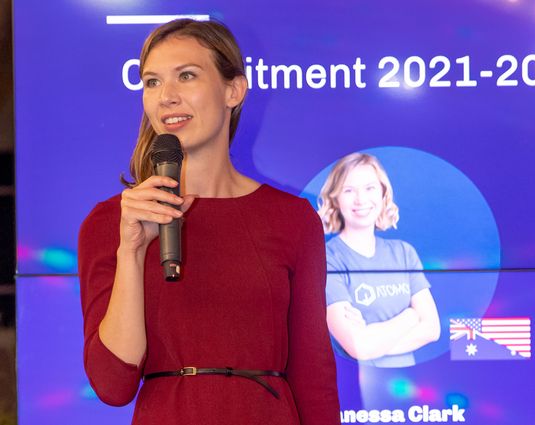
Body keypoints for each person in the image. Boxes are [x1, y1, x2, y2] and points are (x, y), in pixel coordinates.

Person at [78, 19, 340, 424]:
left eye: (186, 76)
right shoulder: (112, 221)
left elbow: (313, 373)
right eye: (151, 82)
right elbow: (113, 385)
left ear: (233, 90)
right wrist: (131, 250)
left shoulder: (291, 219)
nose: (166, 97)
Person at [318, 153, 441, 368]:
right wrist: (411, 317)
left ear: (384, 194)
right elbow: (359, 347)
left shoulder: (404, 253)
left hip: (414, 387)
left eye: (370, 188)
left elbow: (432, 329)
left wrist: (373, 342)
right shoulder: (327, 259)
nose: (361, 199)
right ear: (335, 199)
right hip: (359, 392)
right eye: (349, 190)